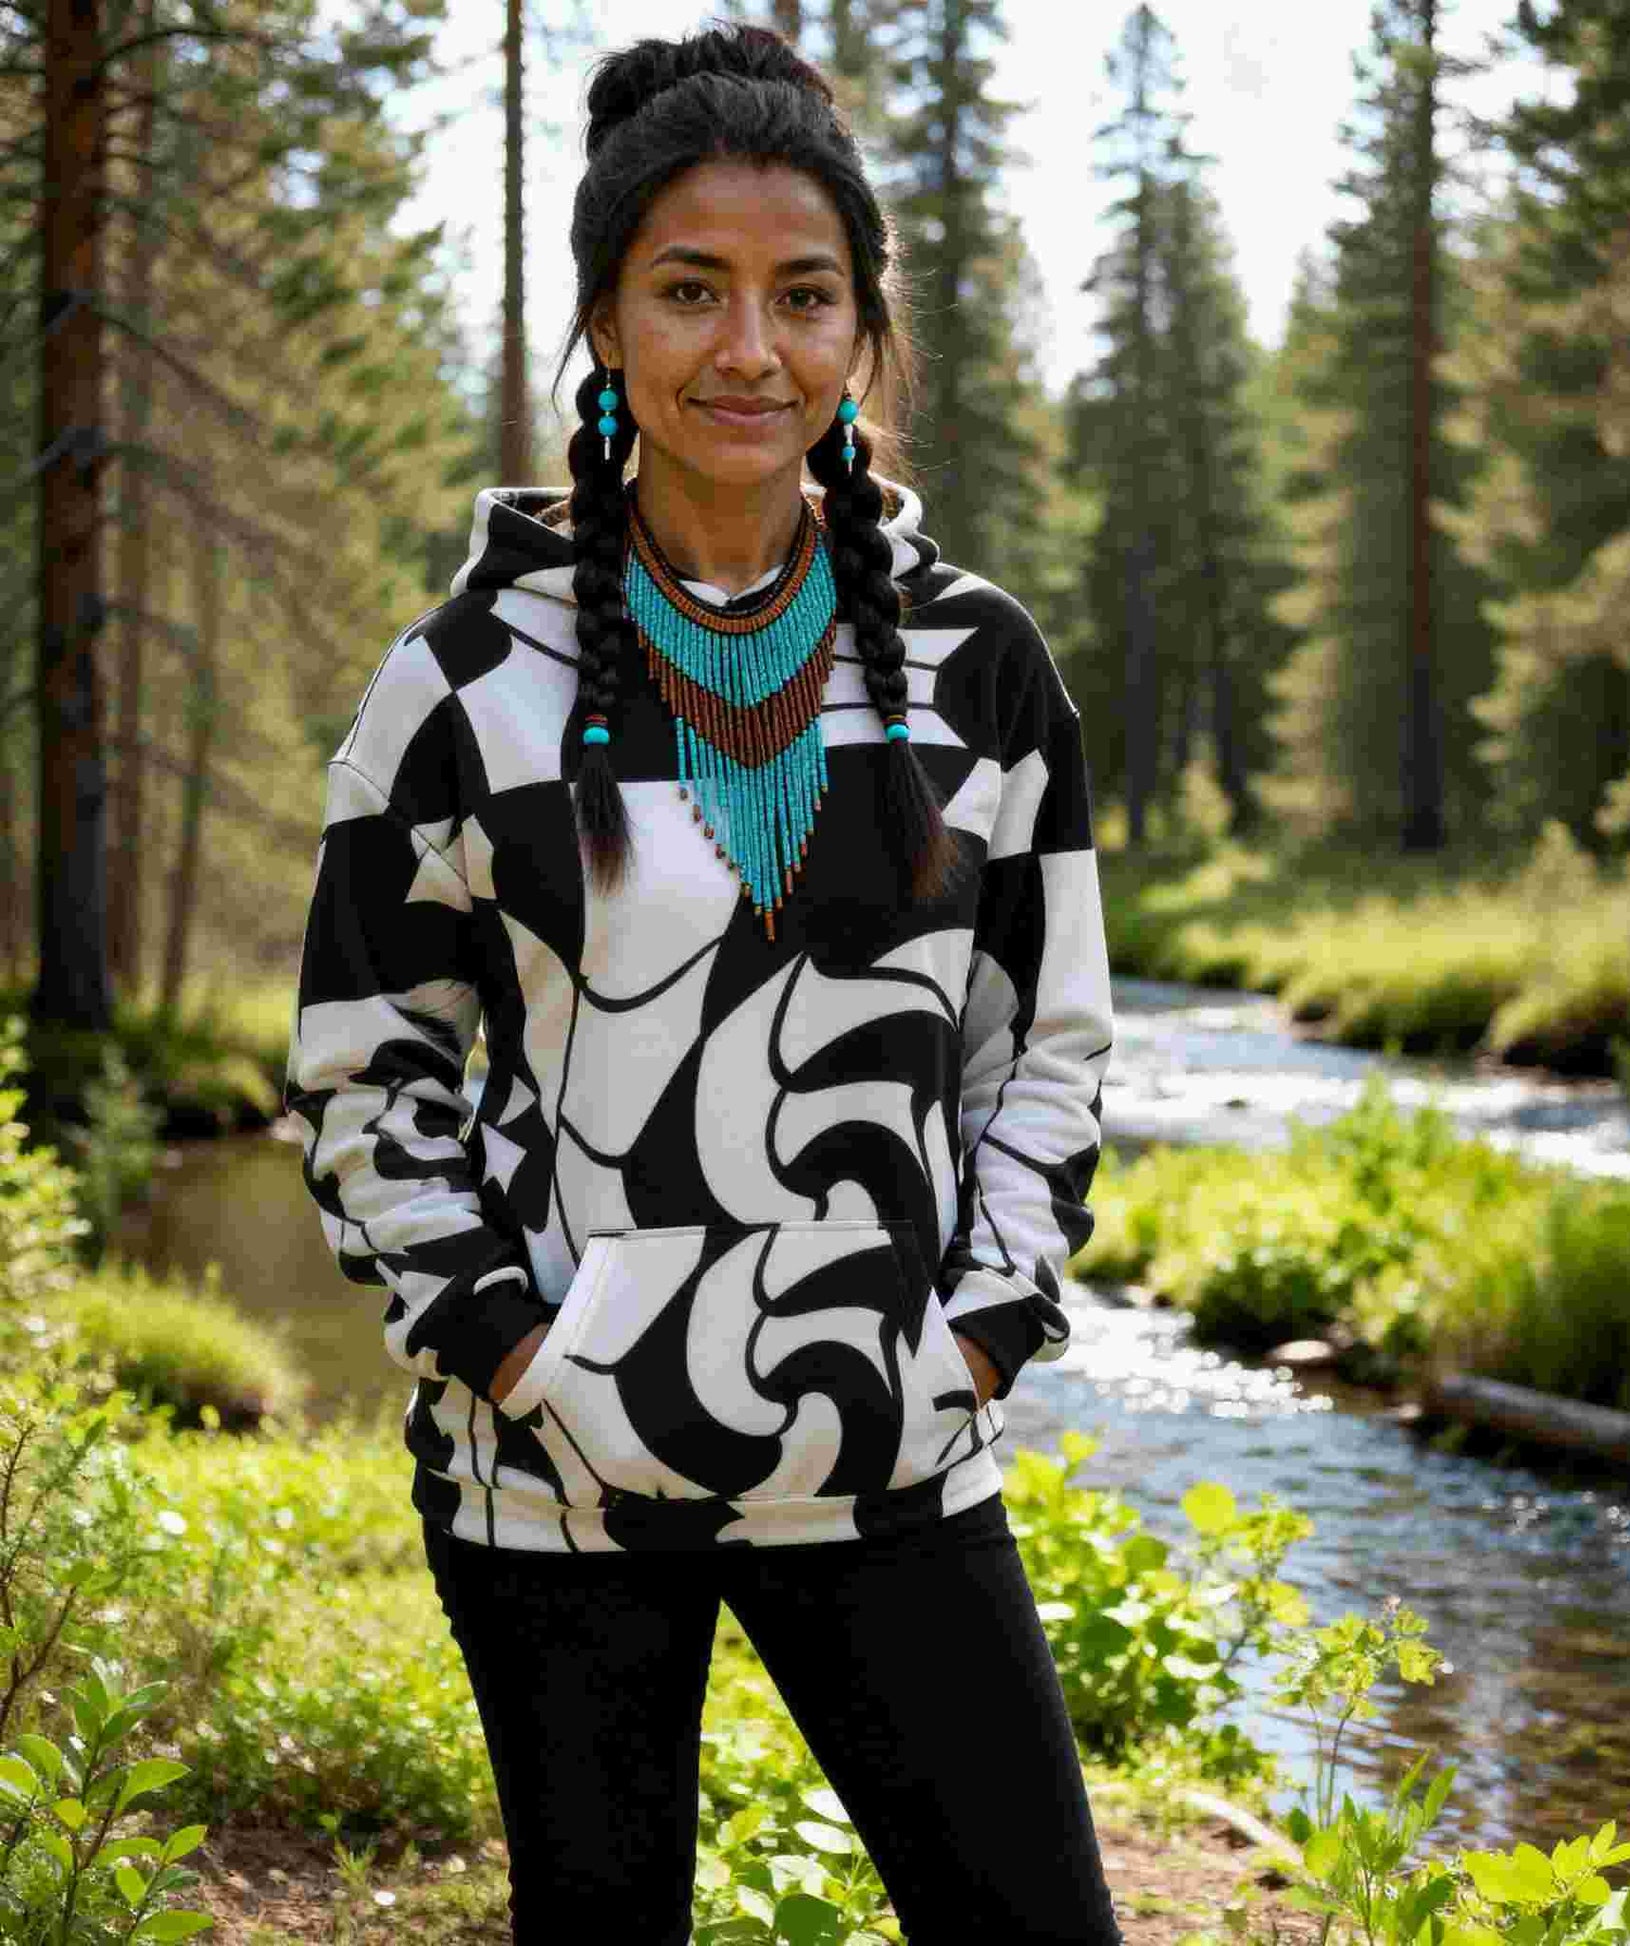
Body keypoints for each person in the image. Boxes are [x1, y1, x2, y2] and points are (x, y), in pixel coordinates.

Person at [283, 22, 1121, 1944]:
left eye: (803, 297)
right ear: (603, 321)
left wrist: (973, 1337)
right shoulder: (461, 681)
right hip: (551, 1482)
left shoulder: (981, 669)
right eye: (690, 291)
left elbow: (1046, 1046)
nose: (751, 349)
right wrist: (520, 1355)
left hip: (892, 1449)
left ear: (861, 335)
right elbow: (362, 1069)